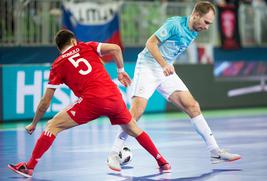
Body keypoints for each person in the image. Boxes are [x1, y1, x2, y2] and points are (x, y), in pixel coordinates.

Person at [8, 29, 171, 178]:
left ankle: (29, 167)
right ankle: (162, 162)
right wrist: (120, 72)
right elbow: (116, 48)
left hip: (91, 100)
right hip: (114, 96)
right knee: (134, 128)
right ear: (73, 42)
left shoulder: (58, 64)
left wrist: (34, 123)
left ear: (60, 48)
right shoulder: (86, 47)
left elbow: (45, 102)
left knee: (52, 126)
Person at [109, 1, 241, 165]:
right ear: (196, 15)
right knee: (136, 112)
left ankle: (215, 152)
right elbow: (150, 43)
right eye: (206, 22)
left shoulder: (194, 31)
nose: (207, 27)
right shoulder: (174, 24)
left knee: (193, 106)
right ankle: (114, 153)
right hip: (148, 67)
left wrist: (166, 65)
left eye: (210, 24)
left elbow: (169, 50)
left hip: (165, 70)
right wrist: (164, 64)